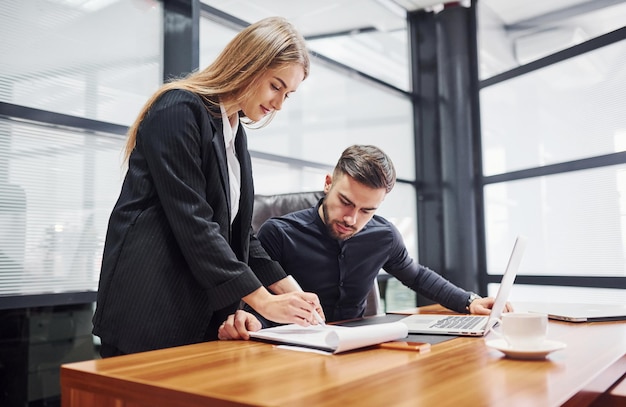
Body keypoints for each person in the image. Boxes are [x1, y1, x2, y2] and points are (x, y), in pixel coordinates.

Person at [92, 16, 324, 357]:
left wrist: (292, 292)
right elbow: (194, 222)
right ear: (249, 65)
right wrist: (263, 300)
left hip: (193, 311)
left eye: (287, 95)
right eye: (276, 86)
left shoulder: (234, 132)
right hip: (150, 307)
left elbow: (238, 233)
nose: (278, 104)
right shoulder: (178, 109)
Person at [218, 144, 512, 340]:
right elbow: (259, 304)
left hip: (358, 344)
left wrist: (469, 301)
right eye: (345, 202)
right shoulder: (278, 233)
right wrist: (252, 324)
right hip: (293, 349)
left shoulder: (383, 236)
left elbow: (417, 275)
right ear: (328, 184)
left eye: (367, 210)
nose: (352, 219)